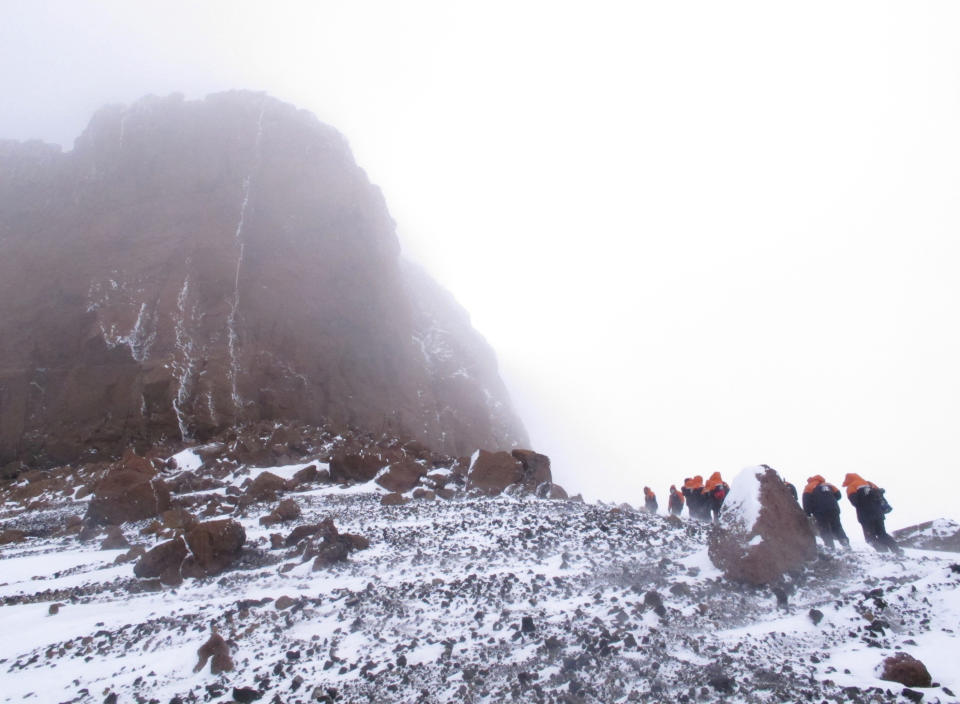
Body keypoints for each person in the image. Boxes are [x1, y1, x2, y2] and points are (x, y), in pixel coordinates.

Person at [842, 473, 902, 554]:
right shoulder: (870, 483)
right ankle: (897, 550)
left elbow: (855, 502)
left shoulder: (851, 487)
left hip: (865, 516)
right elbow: (880, 496)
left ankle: (883, 552)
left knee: (869, 538)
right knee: (882, 534)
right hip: (879, 514)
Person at [802, 475, 850, 550]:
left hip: (820, 511)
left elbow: (806, 501)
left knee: (824, 528)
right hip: (834, 509)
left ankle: (830, 546)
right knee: (837, 526)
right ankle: (845, 543)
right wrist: (830, 499)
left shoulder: (809, 487)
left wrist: (808, 513)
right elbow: (838, 495)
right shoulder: (829, 485)